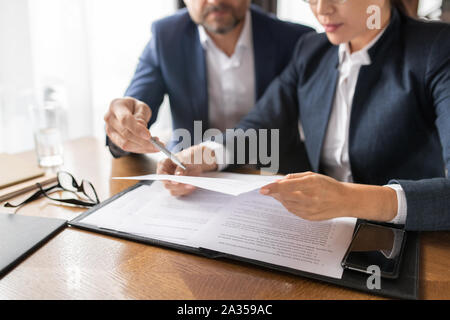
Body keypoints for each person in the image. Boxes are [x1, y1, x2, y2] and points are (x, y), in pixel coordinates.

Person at [157, 0, 450, 232]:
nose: (321, 9)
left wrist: (350, 200)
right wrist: (206, 156)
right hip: (323, 231)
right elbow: (261, 124)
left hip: (411, 238)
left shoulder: (436, 48)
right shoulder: (312, 49)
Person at [104, 0, 313, 172]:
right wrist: (123, 128)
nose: (215, 1)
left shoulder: (294, 40)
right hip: (189, 174)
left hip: (271, 175)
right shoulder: (166, 37)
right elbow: (135, 108)